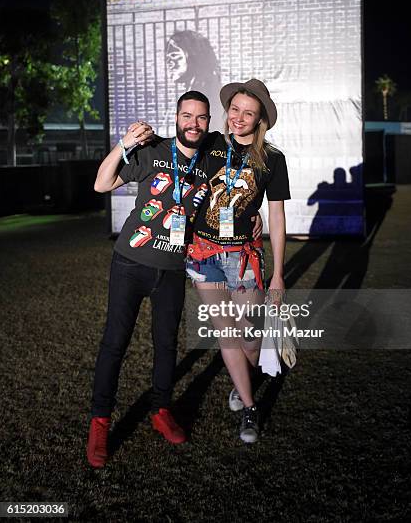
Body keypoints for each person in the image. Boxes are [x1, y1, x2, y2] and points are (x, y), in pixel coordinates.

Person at [86, 91, 212, 468]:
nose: (193, 123)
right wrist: (123, 144)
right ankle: (100, 422)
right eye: (187, 116)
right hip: (130, 263)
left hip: (172, 270)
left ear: (208, 121)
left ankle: (160, 410)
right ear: (176, 118)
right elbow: (101, 184)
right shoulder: (152, 150)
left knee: (166, 345)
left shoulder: (211, 159)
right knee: (114, 343)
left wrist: (251, 216)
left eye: (201, 117)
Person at [186, 79, 290, 443]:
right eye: (235, 109)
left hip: (245, 257)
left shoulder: (272, 159)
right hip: (205, 254)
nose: (239, 118)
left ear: (260, 118)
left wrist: (278, 273)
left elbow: (276, 217)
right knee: (227, 333)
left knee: (249, 334)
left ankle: (243, 379)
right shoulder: (211, 143)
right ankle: (249, 405)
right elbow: (177, 153)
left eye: (249, 112)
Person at [166, 30, 222, 131]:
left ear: (192, 56)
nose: (169, 62)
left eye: (174, 55)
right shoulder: (194, 88)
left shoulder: (209, 92)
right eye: (168, 57)